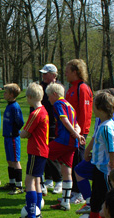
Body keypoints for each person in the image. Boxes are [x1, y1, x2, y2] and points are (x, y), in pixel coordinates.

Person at [77, 91, 114, 218]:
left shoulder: (107, 127)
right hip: (98, 168)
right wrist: (90, 153)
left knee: (106, 203)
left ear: (100, 108)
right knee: (95, 202)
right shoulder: (103, 124)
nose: (92, 108)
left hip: (105, 171)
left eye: (93, 105)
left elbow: (112, 150)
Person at [13, 83, 49, 218]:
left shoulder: (36, 113)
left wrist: (19, 133)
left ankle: (31, 216)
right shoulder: (44, 110)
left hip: (36, 151)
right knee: (37, 181)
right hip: (43, 150)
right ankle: (37, 211)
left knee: (29, 181)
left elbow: (25, 133)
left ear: (29, 97)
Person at [45, 83, 85, 211]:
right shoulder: (70, 106)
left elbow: (65, 120)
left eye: (49, 96)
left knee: (41, 154)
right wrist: (77, 135)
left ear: (55, 94)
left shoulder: (58, 104)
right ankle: (65, 202)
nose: (48, 99)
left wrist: (74, 134)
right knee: (66, 170)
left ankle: (38, 188)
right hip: (73, 143)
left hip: (64, 140)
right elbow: (77, 124)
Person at [65, 59, 94, 205]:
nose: (65, 73)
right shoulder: (71, 88)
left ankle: (80, 193)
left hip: (78, 133)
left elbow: (85, 112)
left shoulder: (82, 88)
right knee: (72, 161)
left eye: (68, 70)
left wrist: (80, 133)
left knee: (78, 161)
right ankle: (74, 191)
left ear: (75, 72)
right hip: (71, 132)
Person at [39, 64, 63, 194]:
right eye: (43, 74)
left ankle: (58, 180)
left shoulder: (59, 88)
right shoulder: (41, 87)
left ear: (53, 75)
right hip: (43, 123)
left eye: (46, 74)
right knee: (43, 151)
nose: (43, 76)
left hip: (54, 125)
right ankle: (48, 178)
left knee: (51, 152)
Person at [0, 83, 24, 195]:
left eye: (6, 92)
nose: (4, 94)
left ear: (11, 94)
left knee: (15, 161)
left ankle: (19, 186)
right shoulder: (9, 105)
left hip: (13, 137)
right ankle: (12, 183)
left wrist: (14, 131)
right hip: (7, 137)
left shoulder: (15, 107)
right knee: (9, 160)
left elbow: (20, 122)